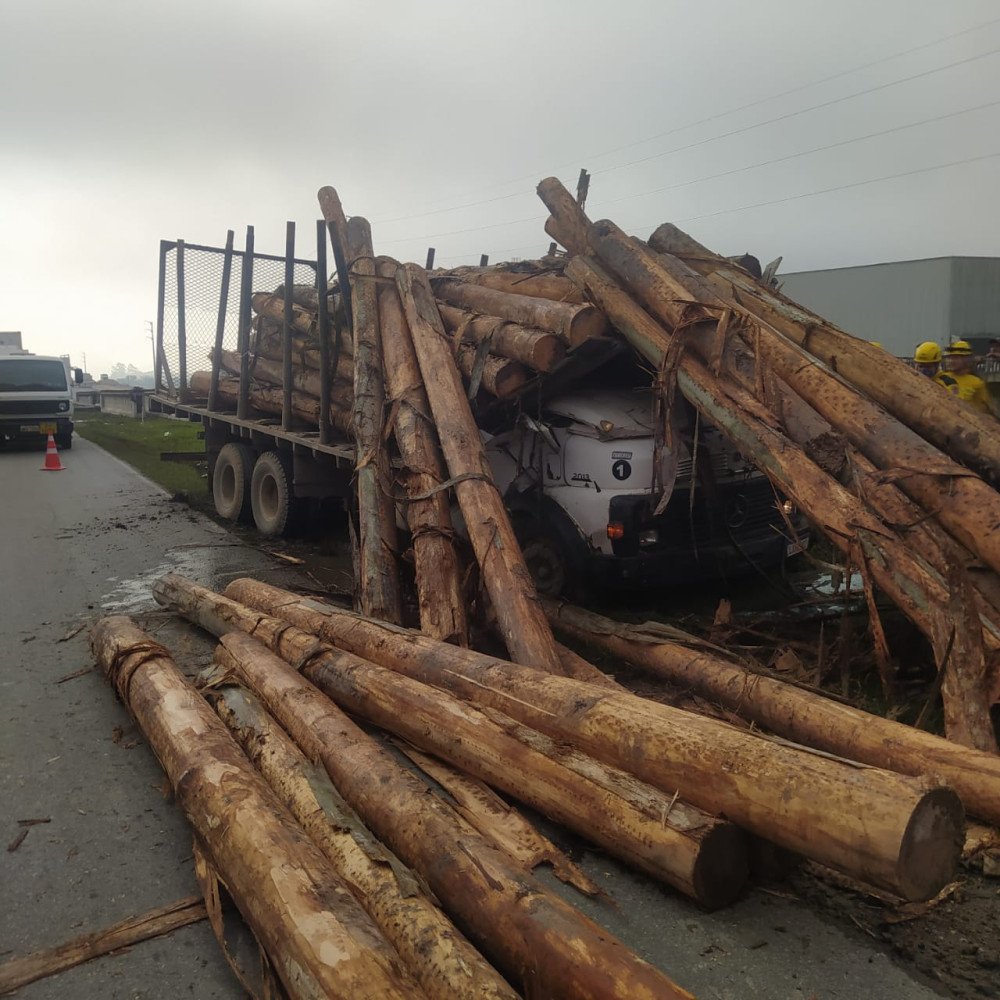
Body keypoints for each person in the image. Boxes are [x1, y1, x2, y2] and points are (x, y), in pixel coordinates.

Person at [943, 340, 992, 413]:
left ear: (967, 359)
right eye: (949, 357)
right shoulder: (942, 377)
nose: (951, 361)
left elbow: (985, 409)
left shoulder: (977, 383)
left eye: (956, 358)